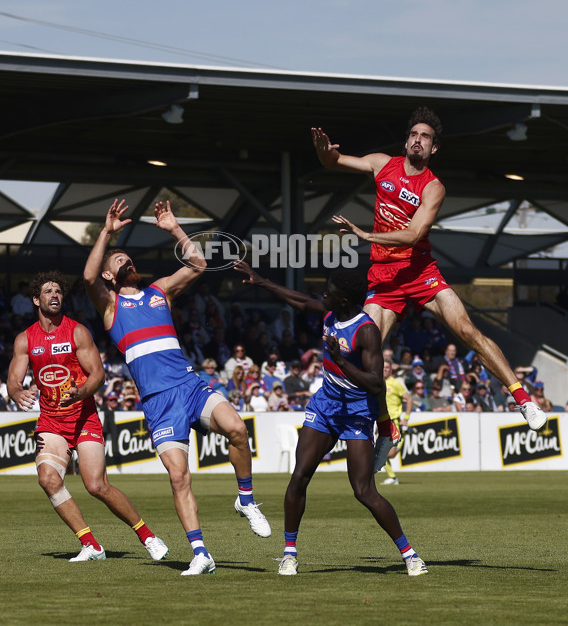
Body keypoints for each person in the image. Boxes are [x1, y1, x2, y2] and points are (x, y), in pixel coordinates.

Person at [313, 108, 546, 432]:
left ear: (433, 148)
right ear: (406, 140)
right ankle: (386, 429)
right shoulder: (382, 164)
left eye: (425, 136)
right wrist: (324, 153)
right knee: (368, 352)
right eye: (414, 134)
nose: (418, 140)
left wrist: (367, 235)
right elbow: (334, 163)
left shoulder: (433, 187)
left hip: (419, 270)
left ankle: (523, 399)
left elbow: (413, 235)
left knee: (466, 331)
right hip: (384, 275)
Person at [83, 199, 271, 576]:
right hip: (158, 402)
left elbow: (198, 265)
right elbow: (87, 278)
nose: (128, 263)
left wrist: (174, 229)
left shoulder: (159, 292)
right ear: (109, 276)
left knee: (236, 428)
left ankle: (246, 501)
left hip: (189, 384)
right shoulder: (110, 307)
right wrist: (106, 233)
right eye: (119, 262)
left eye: (128, 260)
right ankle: (201, 553)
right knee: (178, 476)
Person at [235, 259, 427, 578]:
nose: (323, 294)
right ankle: (289, 554)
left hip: (355, 412)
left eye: (329, 291)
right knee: (299, 477)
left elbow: (376, 382)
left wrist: (341, 361)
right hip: (325, 406)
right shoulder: (329, 313)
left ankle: (410, 555)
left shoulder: (365, 331)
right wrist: (262, 282)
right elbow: (299, 300)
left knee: (363, 491)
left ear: (345, 299)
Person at [7, 270, 168, 563]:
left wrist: (81, 392)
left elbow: (98, 374)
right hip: (51, 421)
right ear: (35, 299)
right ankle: (91, 545)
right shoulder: (25, 339)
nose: (55, 295)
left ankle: (148, 536)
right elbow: (13, 381)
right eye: (48, 291)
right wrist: (17, 393)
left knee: (96, 486)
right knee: (48, 479)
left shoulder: (77, 331)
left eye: (58, 291)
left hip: (83, 417)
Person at [381, 358, 413, 486]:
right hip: (381, 422)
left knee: (389, 454)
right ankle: (392, 477)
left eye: (387, 368)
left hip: (394, 422)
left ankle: (403, 437)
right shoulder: (377, 383)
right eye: (383, 367)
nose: (385, 369)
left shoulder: (395, 383)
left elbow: (409, 399)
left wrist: (406, 418)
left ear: (391, 369)